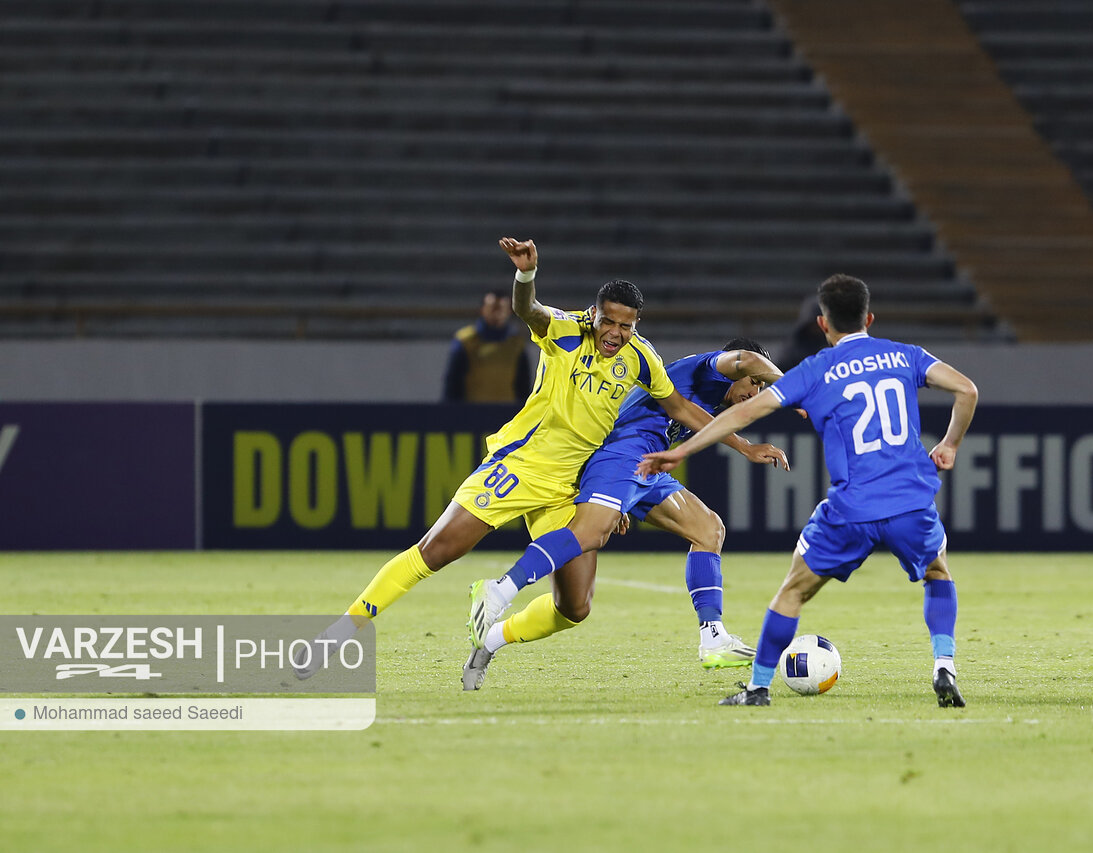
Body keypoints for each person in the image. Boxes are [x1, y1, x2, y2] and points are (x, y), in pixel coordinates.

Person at [293, 237, 781, 682]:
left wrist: (619, 497)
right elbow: (528, 311)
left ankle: (491, 637)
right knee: (436, 551)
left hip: (572, 484)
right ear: (594, 313)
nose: (614, 333)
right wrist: (525, 276)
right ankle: (340, 633)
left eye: (625, 326)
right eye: (608, 320)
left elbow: (678, 407)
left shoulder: (641, 357)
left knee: (575, 608)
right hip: (521, 466)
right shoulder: (565, 329)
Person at [638, 274, 979, 709]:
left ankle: (758, 689)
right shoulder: (905, 355)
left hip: (851, 507)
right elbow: (966, 390)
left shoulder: (817, 369)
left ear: (823, 324)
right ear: (869, 317)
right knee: (937, 574)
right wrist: (949, 445)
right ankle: (944, 666)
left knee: (793, 592)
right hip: (911, 500)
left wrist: (680, 451)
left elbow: (741, 414)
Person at [462, 339, 790, 689]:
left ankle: (713, 638)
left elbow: (703, 422)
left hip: (648, 466)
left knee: (709, 529)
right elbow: (747, 359)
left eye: (763, 388)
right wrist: (798, 386)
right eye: (755, 383)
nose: (756, 393)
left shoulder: (710, 397)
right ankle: (497, 591)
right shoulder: (710, 369)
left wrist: (745, 447)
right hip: (622, 456)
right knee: (590, 534)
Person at [442, 289, 533, 403]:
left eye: (501, 308)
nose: (497, 313)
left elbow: (523, 384)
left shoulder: (516, 345)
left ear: (509, 311)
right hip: (472, 412)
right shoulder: (466, 341)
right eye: (493, 308)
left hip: (508, 413)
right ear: (483, 309)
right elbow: (453, 382)